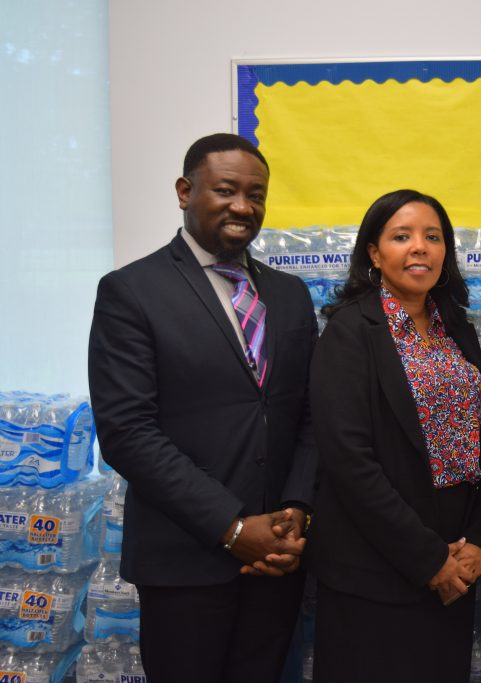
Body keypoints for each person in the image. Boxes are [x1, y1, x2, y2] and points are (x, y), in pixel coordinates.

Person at [87, 133, 316, 683]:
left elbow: (308, 414)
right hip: (185, 561)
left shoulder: (289, 295)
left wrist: (295, 507)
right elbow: (128, 433)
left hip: (276, 561)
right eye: (226, 190)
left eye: (256, 195)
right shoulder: (131, 291)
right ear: (186, 191)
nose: (243, 207)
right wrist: (234, 528)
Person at [306, 189, 481, 682]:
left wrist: (478, 540)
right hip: (377, 571)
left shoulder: (457, 327)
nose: (420, 248)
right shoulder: (350, 331)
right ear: (374, 253)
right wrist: (429, 558)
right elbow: (349, 462)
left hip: (457, 567)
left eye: (432, 237)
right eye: (402, 236)